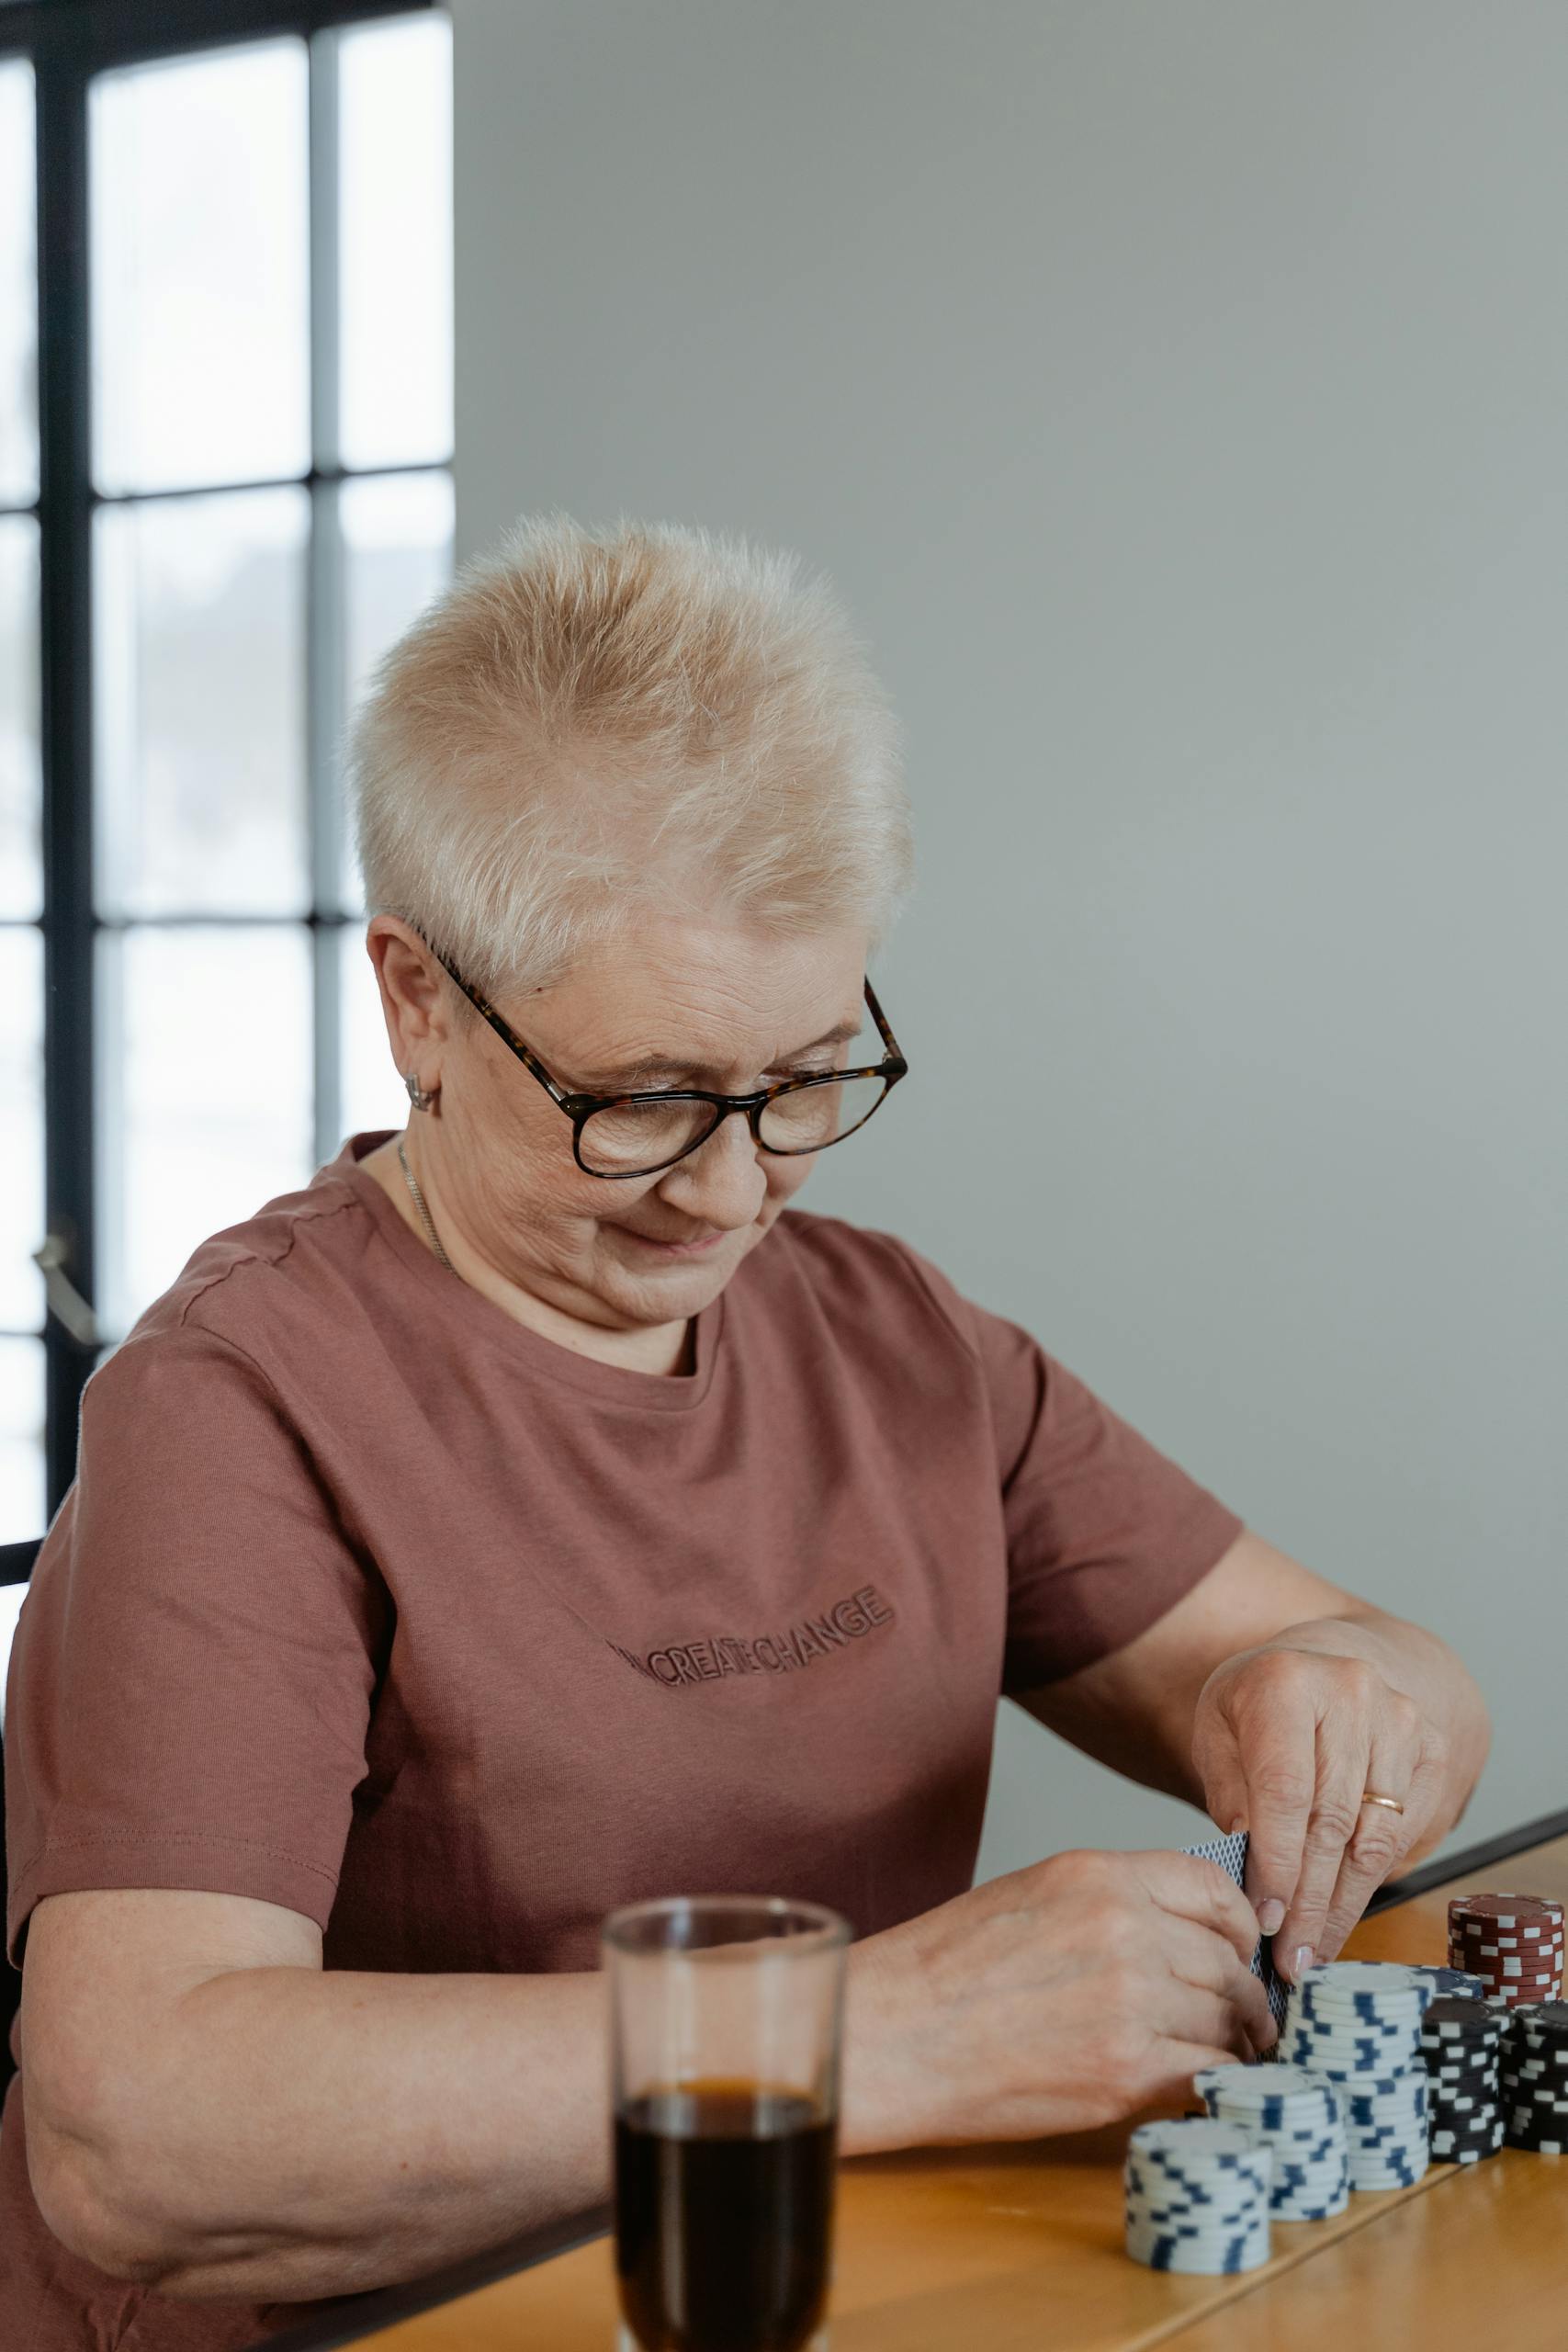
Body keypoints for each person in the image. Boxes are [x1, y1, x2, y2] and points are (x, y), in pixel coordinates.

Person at [2, 514, 1489, 2350]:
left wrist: (1348, 1698)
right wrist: (878, 2032)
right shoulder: (235, 1412)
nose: (728, 1190)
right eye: (639, 1099)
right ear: (418, 1000)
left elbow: (1363, 1664)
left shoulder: (893, 1337)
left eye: (800, 1078)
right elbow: (134, 2126)